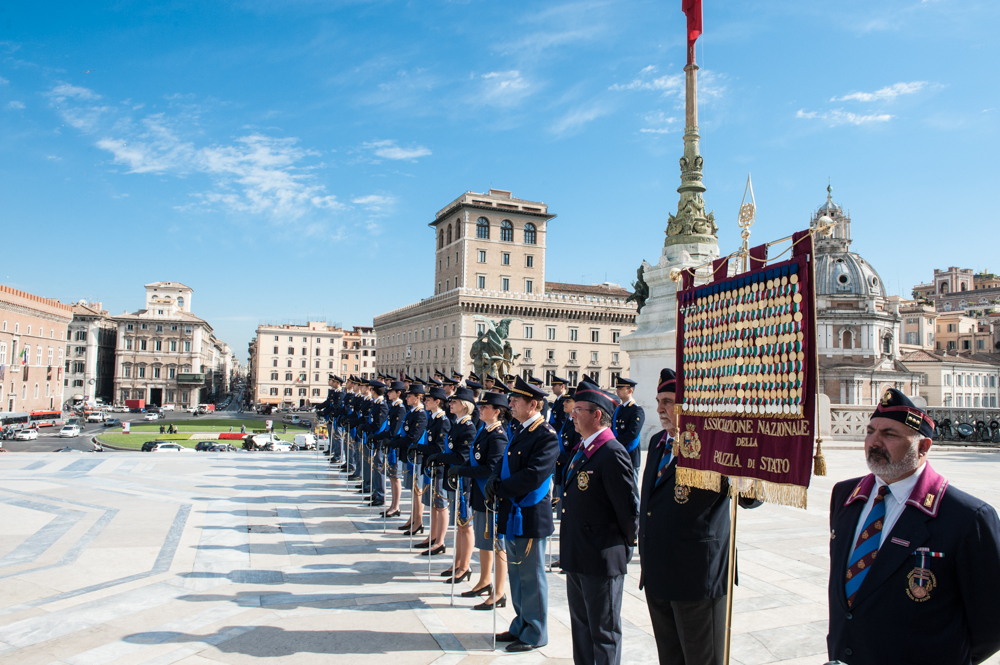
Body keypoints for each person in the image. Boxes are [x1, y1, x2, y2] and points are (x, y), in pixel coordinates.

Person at [826, 388, 1000, 665]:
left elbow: (991, 624)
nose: (874, 442)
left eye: (890, 434)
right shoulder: (846, 495)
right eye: (870, 431)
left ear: (923, 447)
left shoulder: (968, 516)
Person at [639, 368, 758, 665]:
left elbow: (749, 498)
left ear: (689, 404)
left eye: (668, 401)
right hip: (658, 573)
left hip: (697, 578)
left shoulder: (716, 445)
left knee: (702, 659)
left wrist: (748, 464)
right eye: (658, 401)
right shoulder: (657, 442)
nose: (660, 409)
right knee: (670, 657)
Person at [561, 382, 638, 665]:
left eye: (578, 410)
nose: (572, 415)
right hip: (577, 555)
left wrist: (622, 547)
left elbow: (629, 510)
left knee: (603, 634)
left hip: (601, 557)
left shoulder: (612, 452)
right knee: (581, 632)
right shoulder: (582, 449)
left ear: (597, 415)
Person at [485, 376, 559, 653]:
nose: (511, 403)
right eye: (512, 399)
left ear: (534, 404)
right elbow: (505, 460)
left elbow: (534, 475)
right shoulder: (519, 429)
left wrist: (501, 488)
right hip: (512, 510)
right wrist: (494, 479)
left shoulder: (545, 435)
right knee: (516, 575)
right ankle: (521, 623)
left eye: (516, 400)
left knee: (531, 575)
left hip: (529, 513)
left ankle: (536, 630)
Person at [450, 391, 509, 609]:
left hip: (490, 495)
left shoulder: (498, 435)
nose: (480, 410)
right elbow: (474, 463)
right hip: (479, 494)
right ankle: (484, 581)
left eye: (485, 407)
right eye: (480, 406)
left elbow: (491, 468)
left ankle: (499, 591)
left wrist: (463, 471)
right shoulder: (485, 432)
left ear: (497, 412)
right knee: (485, 542)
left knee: (496, 543)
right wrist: (461, 469)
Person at [432, 387, 477, 580]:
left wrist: (440, 458)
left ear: (465, 406)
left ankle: (465, 566)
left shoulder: (468, 428)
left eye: (455, 402)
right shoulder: (457, 424)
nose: (450, 404)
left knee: (465, 525)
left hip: (464, 482)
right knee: (459, 525)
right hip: (456, 480)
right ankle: (457, 562)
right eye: (451, 402)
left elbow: (462, 457)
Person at [411, 386, 452, 555]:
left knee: (441, 505)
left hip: (440, 468)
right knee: (435, 504)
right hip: (432, 467)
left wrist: (419, 448)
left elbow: (439, 447)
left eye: (428, 400)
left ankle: (440, 541)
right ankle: (432, 536)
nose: (425, 402)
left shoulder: (443, 421)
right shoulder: (433, 418)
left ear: (437, 402)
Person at [390, 384, 428, 535]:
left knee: (418, 490)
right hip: (409, 455)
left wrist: (395, 443)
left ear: (417, 398)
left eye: (409, 396)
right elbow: (404, 433)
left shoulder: (420, 414)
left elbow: (413, 437)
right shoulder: (412, 413)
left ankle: (418, 521)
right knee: (414, 490)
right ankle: (413, 518)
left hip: (416, 457)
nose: (406, 398)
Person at [551, 386, 580, 569]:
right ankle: (565, 555)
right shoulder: (568, 422)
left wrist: (555, 456)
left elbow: (574, 452)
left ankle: (569, 556)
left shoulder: (576, 423)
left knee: (569, 519)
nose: (565, 404)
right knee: (563, 518)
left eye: (568, 401)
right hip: (562, 471)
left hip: (568, 470)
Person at [373, 380, 407, 515]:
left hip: (395, 447)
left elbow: (394, 431)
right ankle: (392, 504)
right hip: (391, 445)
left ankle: (396, 505)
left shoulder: (400, 408)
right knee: (392, 477)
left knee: (395, 476)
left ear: (398, 393)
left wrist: (382, 437)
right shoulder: (393, 407)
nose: (388, 393)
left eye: (391, 391)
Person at [611, 376, 644, 476]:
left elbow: (633, 433)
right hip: (617, 454)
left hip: (630, 454)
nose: (617, 391)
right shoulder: (619, 409)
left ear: (630, 390)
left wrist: (615, 442)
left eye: (620, 388)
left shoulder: (636, 410)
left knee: (632, 490)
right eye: (617, 388)